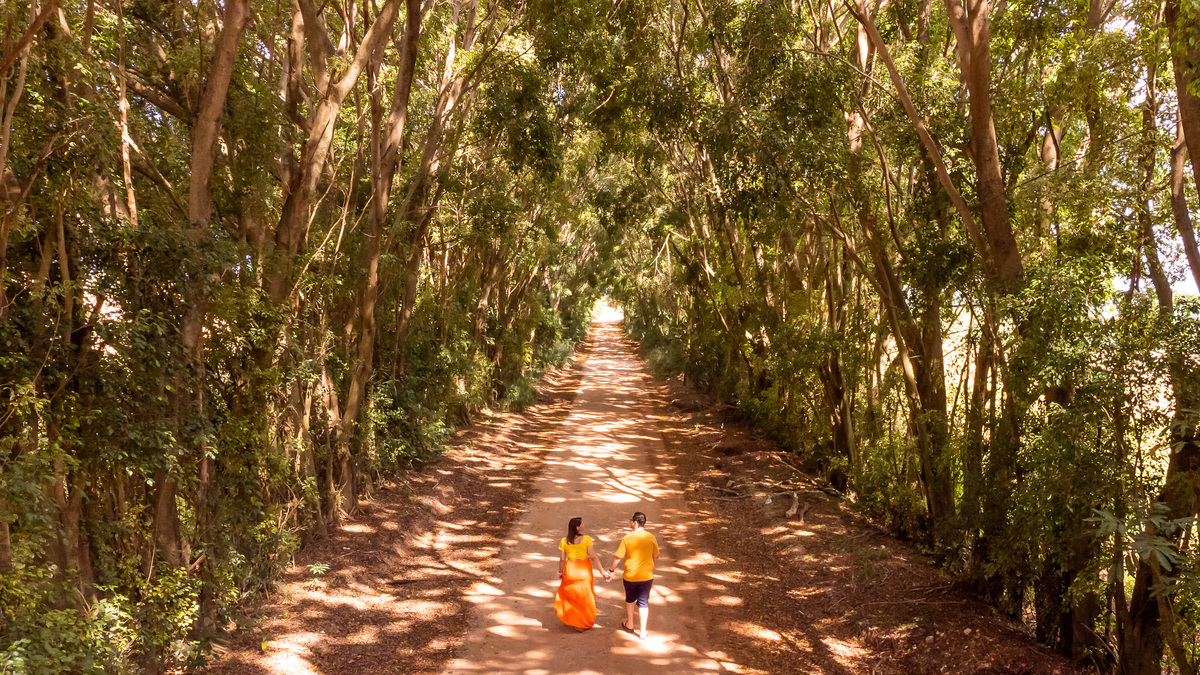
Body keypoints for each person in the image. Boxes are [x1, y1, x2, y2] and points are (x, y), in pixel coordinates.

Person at [607, 511, 659, 639]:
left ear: (635, 523)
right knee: (643, 602)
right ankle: (642, 631)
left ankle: (630, 624)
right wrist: (652, 567)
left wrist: (611, 571)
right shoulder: (651, 537)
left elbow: (618, 556)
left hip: (630, 576)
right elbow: (656, 555)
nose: (631, 523)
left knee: (630, 599)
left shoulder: (627, 538)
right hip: (646, 576)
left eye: (631, 521)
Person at [554, 516, 611, 631]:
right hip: (584, 569)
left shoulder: (564, 541)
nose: (583, 526)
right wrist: (603, 572)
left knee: (572, 596)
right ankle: (582, 622)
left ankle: (574, 620)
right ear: (577, 527)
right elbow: (594, 557)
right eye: (582, 524)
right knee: (585, 596)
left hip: (571, 570)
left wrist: (561, 571)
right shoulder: (586, 539)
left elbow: (562, 559)